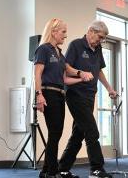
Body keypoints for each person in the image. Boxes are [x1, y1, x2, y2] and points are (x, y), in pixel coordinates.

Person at [34, 18, 92, 178]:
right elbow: (37, 74)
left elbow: (67, 75)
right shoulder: (43, 49)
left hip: (60, 94)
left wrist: (81, 76)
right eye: (63, 32)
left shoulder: (59, 53)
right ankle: (52, 172)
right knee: (55, 132)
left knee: (56, 133)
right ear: (53, 31)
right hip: (48, 93)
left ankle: (46, 171)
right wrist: (39, 95)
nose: (65, 36)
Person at [58, 20, 117, 178]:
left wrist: (109, 88)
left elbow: (99, 72)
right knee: (91, 131)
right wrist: (80, 73)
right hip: (75, 94)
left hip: (90, 95)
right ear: (91, 31)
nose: (101, 40)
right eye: (100, 36)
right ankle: (96, 169)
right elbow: (66, 68)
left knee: (78, 133)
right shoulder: (76, 45)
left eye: (103, 38)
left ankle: (62, 168)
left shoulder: (97, 49)